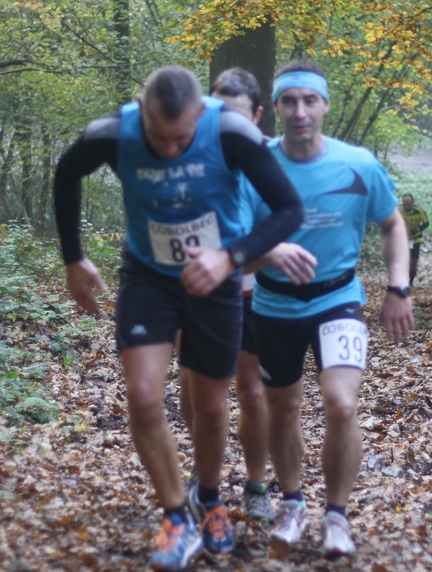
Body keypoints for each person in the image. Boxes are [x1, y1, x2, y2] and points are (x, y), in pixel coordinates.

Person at [53, 66, 303, 571]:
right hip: (149, 276)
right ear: (141, 111)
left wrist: (230, 258)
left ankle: (208, 499)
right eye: (159, 136)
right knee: (144, 396)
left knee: (209, 408)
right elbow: (66, 173)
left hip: (215, 280)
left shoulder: (231, 133)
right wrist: (73, 258)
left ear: (200, 116)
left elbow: (288, 210)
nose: (169, 149)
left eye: (182, 139)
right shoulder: (111, 134)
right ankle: (175, 516)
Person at [243, 61, 414, 559]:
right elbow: (234, 252)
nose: (300, 111)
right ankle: (292, 503)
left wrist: (398, 286)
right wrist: (270, 252)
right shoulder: (255, 167)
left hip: (338, 298)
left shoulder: (357, 163)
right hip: (274, 303)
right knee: (283, 408)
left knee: (341, 404)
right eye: (289, 101)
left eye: (309, 101)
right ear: (275, 108)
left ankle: (336, 516)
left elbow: (393, 224)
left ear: (325, 105)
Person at [176, 67, 274, 525]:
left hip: (254, 292)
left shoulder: (271, 158)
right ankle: (204, 472)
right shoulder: (187, 151)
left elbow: (286, 224)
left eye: (235, 115)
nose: (224, 125)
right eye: (215, 113)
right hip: (197, 288)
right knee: (192, 390)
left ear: (257, 116)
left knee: (252, 393)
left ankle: (256, 486)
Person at [397, 193, 429, 286]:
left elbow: (426, 223)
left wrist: (417, 229)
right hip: (402, 239)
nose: (407, 207)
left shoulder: (418, 211)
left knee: (413, 262)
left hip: (415, 239)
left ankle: (410, 282)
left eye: (409, 205)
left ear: (413, 203)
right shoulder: (398, 210)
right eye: (405, 205)